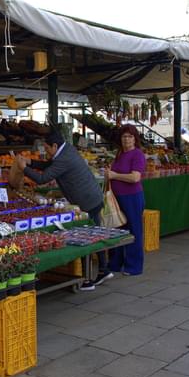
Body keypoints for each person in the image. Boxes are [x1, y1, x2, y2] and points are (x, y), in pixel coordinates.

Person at [17, 130, 110, 291]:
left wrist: (24, 169)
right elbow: (49, 165)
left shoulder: (64, 158)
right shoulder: (66, 150)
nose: (45, 151)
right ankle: (103, 269)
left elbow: (42, 178)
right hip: (90, 197)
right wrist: (31, 163)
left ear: (54, 145)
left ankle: (89, 279)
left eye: (46, 148)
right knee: (94, 233)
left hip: (87, 200)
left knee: (87, 236)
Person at [105, 124, 146, 276]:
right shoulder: (119, 154)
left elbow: (135, 177)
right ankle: (115, 263)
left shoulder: (137, 155)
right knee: (116, 229)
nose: (126, 139)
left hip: (132, 197)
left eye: (129, 136)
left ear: (135, 139)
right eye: (124, 136)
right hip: (117, 198)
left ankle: (134, 266)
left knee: (134, 230)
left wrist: (114, 175)